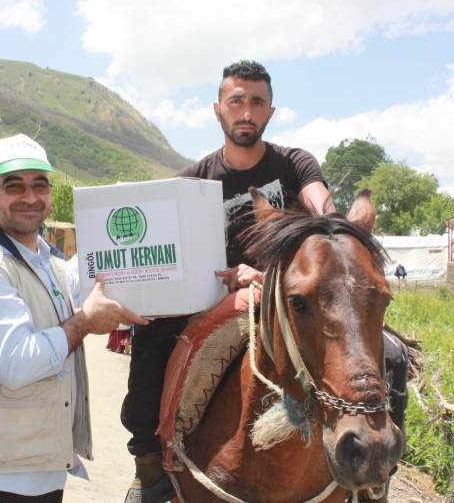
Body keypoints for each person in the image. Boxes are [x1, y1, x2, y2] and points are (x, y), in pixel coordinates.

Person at [121, 60, 336, 503]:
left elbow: (322, 208)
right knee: (150, 342)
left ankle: (374, 467)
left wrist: (326, 226)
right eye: (236, 101)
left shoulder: (296, 164)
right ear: (218, 110)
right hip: (214, 300)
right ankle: (149, 466)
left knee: (380, 351)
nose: (246, 111)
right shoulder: (191, 181)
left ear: (270, 113)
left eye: (257, 102)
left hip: (286, 293)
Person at [0, 134, 147, 503]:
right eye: (14, 186)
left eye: (40, 185)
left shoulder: (47, 262)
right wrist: (84, 324)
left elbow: (102, 283)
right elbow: (17, 362)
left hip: (32, 472)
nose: (30, 197)